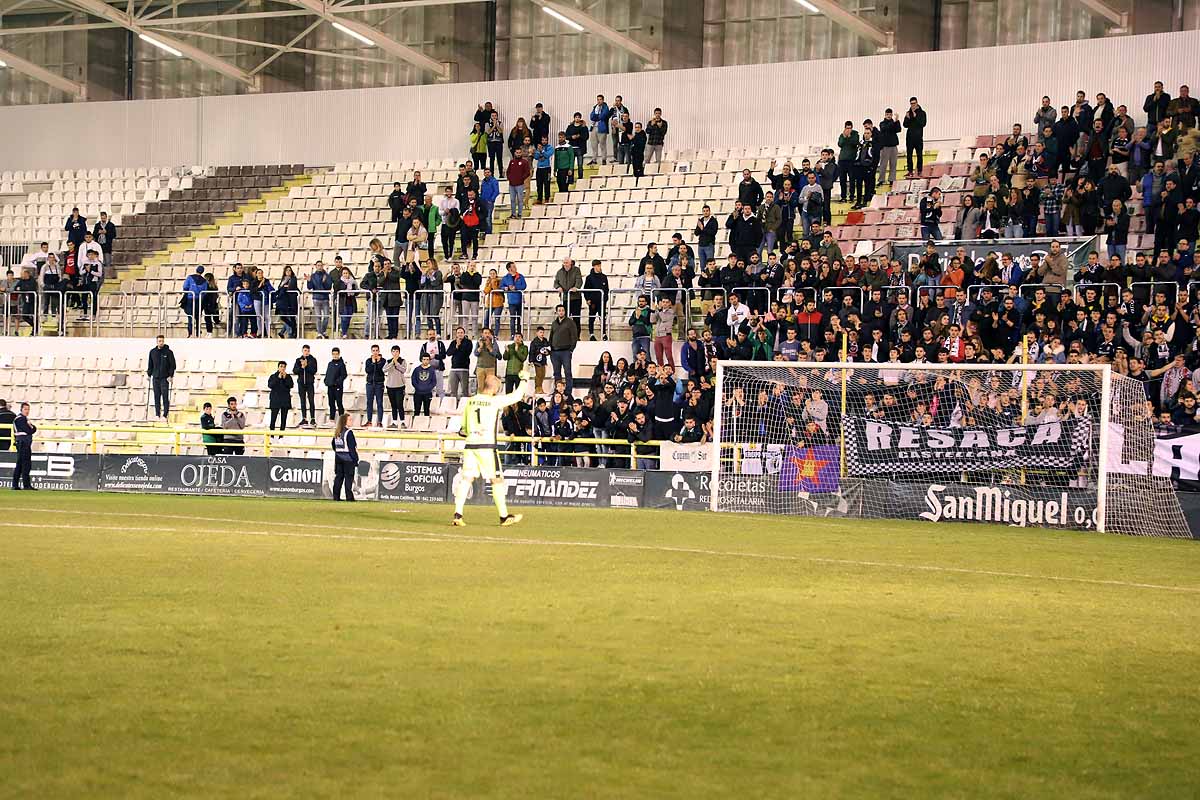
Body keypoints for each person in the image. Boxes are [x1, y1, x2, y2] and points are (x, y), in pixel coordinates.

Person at [451, 366, 532, 528]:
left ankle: (458, 514)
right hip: (487, 446)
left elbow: (463, 430)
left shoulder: (471, 401)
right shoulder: (494, 401)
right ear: (494, 388)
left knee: (466, 479)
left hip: (470, 445)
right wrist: (524, 380)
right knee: (497, 480)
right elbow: (516, 396)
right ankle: (503, 516)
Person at [550, 304, 579, 397]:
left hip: (566, 351)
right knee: (556, 373)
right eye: (559, 310)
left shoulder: (570, 322)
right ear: (557, 312)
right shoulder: (554, 323)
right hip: (554, 352)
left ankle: (568, 392)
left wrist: (571, 350)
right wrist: (550, 348)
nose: (561, 312)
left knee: (567, 372)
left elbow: (574, 336)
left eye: (562, 310)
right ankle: (558, 391)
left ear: (565, 311)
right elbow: (551, 336)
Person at [331, 413, 360, 502]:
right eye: (350, 420)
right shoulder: (349, 432)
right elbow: (352, 447)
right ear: (345, 421)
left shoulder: (337, 432)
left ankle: (336, 496)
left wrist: (338, 452)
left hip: (339, 457)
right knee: (348, 478)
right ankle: (349, 497)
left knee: (339, 477)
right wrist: (355, 459)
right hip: (348, 458)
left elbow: (333, 444)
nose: (351, 421)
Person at [146, 335, 176, 422]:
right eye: (159, 341)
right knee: (156, 396)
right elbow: (150, 364)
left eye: (162, 341)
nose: (161, 342)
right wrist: (149, 374)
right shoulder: (152, 352)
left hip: (164, 378)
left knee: (165, 397)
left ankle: (165, 415)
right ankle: (157, 414)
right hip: (155, 377)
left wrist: (170, 375)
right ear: (157, 341)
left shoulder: (169, 352)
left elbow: (172, 365)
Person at [10, 402, 35, 491]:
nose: (27, 411)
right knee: (25, 464)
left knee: (21, 464)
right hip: (23, 443)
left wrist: (31, 428)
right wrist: (31, 427)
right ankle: (26, 485)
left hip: (24, 443)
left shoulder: (24, 419)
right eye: (25, 409)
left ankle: (15, 484)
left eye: (28, 409)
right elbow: (29, 430)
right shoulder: (20, 419)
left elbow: (33, 429)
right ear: (21, 409)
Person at [292, 345, 318, 427]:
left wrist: (307, 366)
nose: (306, 352)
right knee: (302, 401)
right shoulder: (298, 360)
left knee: (311, 400)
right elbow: (295, 371)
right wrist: (301, 367)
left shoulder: (313, 360)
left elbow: (314, 370)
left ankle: (313, 418)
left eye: (307, 350)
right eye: (304, 350)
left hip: (310, 383)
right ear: (302, 351)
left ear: (309, 351)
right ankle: (304, 418)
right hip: (301, 383)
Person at [384, 345, 407, 430]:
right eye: (393, 351)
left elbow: (403, 370)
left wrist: (396, 363)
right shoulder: (389, 361)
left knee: (400, 404)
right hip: (390, 386)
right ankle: (394, 422)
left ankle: (402, 422)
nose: (395, 353)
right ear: (391, 352)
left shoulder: (402, 361)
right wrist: (392, 363)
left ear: (399, 352)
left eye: (397, 351)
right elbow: (384, 370)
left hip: (400, 386)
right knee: (393, 405)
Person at [267, 361, 294, 435]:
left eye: (284, 367)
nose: (282, 368)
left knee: (283, 419)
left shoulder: (288, 376)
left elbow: (291, 385)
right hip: (275, 400)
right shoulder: (273, 376)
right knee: (273, 419)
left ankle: (281, 436)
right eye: (281, 366)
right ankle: (271, 435)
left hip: (285, 401)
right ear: (278, 367)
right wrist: (278, 378)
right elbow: (270, 385)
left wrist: (285, 378)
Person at [447, 326, 473, 398]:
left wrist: (459, 346)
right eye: (458, 333)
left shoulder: (468, 342)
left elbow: (466, 353)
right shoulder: (453, 343)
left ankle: (464, 407)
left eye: (461, 333)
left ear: (464, 334)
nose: (460, 334)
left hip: (464, 369)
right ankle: (453, 406)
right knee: (453, 391)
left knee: (464, 390)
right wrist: (456, 347)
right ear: (456, 334)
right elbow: (448, 353)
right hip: (454, 369)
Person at [903, 97, 927, 177]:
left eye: (914, 103)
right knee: (909, 155)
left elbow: (923, 124)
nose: (913, 105)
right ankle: (910, 171)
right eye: (911, 103)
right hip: (909, 138)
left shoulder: (922, 113)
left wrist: (915, 116)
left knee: (919, 155)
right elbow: (905, 125)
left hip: (918, 138)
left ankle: (919, 171)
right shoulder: (908, 113)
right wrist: (907, 118)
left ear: (917, 103)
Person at [364, 344, 386, 428]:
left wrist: (377, 362)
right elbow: (368, 370)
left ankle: (379, 421)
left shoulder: (383, 360)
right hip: (370, 384)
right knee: (369, 403)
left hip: (379, 384)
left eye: (377, 350)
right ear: (371, 351)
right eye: (373, 351)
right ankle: (369, 421)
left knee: (379, 403)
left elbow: (381, 370)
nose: (375, 352)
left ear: (379, 351)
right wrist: (373, 362)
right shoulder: (368, 360)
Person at [325, 347, 348, 422]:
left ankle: (342, 420)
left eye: (336, 354)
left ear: (339, 354)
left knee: (339, 403)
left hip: (338, 387)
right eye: (333, 354)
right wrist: (326, 381)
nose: (335, 355)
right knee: (331, 403)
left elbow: (344, 375)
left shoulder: (341, 364)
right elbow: (328, 374)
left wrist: (337, 382)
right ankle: (332, 419)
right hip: (330, 387)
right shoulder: (330, 363)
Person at [528, 325, 551, 395]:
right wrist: (531, 361)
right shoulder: (534, 342)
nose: (542, 334)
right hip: (536, 361)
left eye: (543, 332)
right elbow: (531, 352)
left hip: (543, 360)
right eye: (540, 332)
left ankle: (540, 388)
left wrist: (548, 352)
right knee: (539, 375)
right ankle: (538, 388)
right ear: (537, 333)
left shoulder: (545, 340)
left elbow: (549, 349)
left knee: (543, 375)